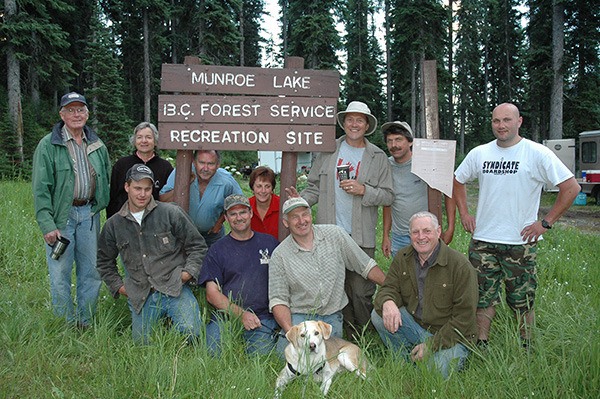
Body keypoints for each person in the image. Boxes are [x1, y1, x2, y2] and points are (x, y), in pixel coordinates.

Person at [453, 102, 580, 347]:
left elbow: (571, 187)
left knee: (523, 299)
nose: (501, 126)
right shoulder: (480, 153)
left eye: (507, 120)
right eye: (496, 121)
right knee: (482, 297)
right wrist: (464, 214)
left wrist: (546, 222)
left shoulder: (536, 153)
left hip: (521, 242)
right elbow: (458, 181)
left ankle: (526, 344)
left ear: (519, 121)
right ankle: (481, 343)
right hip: (484, 240)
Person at [285, 101, 393, 339]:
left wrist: (364, 189)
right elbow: (313, 187)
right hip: (327, 235)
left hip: (360, 235)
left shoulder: (377, 157)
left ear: (367, 125)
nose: (354, 124)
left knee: (360, 290)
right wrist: (299, 201)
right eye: (350, 119)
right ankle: (340, 338)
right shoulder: (327, 150)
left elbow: (388, 195)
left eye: (360, 120)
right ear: (343, 123)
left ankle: (365, 336)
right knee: (334, 289)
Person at [97, 164, 207, 343]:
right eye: (137, 188)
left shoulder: (170, 213)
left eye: (147, 189)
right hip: (141, 293)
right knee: (142, 344)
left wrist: (186, 275)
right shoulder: (114, 225)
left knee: (192, 334)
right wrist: (121, 288)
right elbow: (103, 261)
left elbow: (197, 246)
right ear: (127, 187)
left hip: (175, 287)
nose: (142, 194)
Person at [32, 92, 111, 329]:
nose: (76, 114)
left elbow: (106, 176)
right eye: (70, 110)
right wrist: (48, 224)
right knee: (60, 273)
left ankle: (85, 321)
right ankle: (65, 323)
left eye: (80, 110)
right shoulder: (49, 145)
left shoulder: (97, 144)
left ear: (87, 114)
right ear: (62, 114)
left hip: (89, 215)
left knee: (91, 271)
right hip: (62, 218)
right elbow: (41, 188)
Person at [269, 197, 387, 352]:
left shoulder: (335, 235)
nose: (301, 221)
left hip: (331, 316)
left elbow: (365, 265)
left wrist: (392, 287)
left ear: (311, 216)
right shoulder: (280, 255)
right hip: (301, 317)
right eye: (294, 217)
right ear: (286, 223)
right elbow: (278, 300)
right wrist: (291, 331)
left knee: (326, 357)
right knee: (286, 355)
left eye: (304, 214)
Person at [371, 211, 478, 378]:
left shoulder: (460, 266)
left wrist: (431, 345)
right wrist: (388, 302)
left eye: (427, 231)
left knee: (433, 373)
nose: (421, 237)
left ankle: (433, 358)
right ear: (410, 235)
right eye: (415, 232)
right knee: (378, 315)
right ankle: (405, 361)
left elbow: (464, 318)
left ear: (438, 231)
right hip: (417, 326)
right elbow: (388, 288)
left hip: (451, 336)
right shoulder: (403, 257)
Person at [198, 194, 280, 355]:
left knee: (261, 360)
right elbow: (212, 294)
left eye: (242, 212)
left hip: (261, 317)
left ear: (251, 214)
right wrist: (241, 315)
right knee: (211, 355)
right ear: (226, 218)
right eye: (233, 214)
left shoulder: (270, 243)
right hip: (226, 316)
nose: (238, 217)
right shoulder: (217, 249)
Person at [381, 121, 456, 258]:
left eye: (398, 140)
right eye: (389, 141)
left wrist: (450, 227)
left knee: (429, 277)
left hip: (426, 235)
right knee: (403, 277)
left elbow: (448, 191)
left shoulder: (426, 162)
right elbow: (388, 202)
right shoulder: (386, 166)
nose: (394, 145)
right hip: (399, 236)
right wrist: (386, 235)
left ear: (410, 142)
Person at [160, 149, 243, 247]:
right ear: (194, 162)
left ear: (218, 165)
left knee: (215, 261)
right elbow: (162, 200)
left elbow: (239, 203)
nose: (206, 168)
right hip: (181, 235)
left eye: (211, 164)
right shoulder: (182, 172)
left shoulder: (226, 180)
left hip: (212, 236)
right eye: (202, 163)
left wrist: (220, 221)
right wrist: (184, 184)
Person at [106, 122, 173, 218]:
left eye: (148, 137)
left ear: (155, 141)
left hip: (155, 221)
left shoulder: (165, 167)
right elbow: (113, 197)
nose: (144, 141)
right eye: (139, 137)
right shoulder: (121, 165)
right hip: (124, 219)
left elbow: (168, 198)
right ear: (134, 141)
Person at [248, 166, 280, 240]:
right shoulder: (246, 206)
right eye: (259, 186)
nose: (263, 191)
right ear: (253, 188)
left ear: (272, 188)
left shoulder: (282, 205)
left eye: (267, 186)